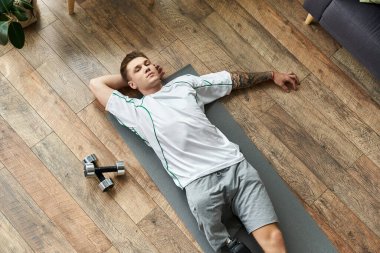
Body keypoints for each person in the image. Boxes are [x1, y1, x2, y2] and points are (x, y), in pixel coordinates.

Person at [89, 51, 299, 253]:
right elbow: (96, 84)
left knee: (274, 239)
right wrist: (128, 77)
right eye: (138, 69)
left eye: (147, 63)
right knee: (230, 248)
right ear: (131, 84)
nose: (146, 68)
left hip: (235, 167)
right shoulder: (135, 111)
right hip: (199, 184)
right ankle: (228, 242)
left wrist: (272, 75)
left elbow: (230, 80)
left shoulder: (184, 84)